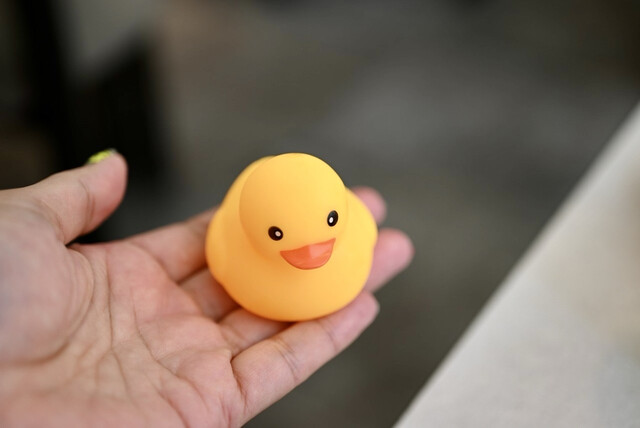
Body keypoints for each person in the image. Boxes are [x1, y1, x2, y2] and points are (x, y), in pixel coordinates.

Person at [0, 150, 413, 426]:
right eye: (276, 234)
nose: (311, 253)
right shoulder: (228, 242)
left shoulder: (356, 227)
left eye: (330, 222)